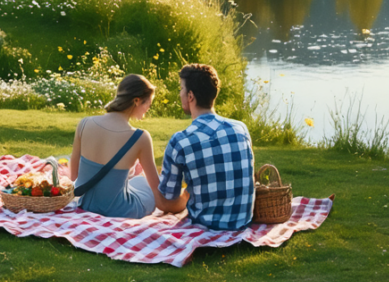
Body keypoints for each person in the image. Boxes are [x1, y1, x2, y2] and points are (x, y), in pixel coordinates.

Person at [155, 63, 255, 230]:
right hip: (242, 221)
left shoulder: (180, 140)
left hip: (206, 224)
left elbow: (168, 196)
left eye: (181, 89)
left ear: (191, 96)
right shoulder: (240, 128)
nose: (180, 94)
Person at [69, 74, 161, 218]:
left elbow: (73, 175)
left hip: (85, 204)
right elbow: (157, 188)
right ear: (137, 101)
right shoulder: (140, 137)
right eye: (147, 104)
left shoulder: (84, 123)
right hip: (120, 210)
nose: (147, 109)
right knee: (144, 182)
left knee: (137, 180)